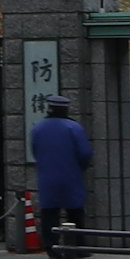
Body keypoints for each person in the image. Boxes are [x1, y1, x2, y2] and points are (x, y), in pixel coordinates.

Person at [27, 96, 92, 236]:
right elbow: (85, 153)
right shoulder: (74, 127)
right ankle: (78, 247)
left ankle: (52, 249)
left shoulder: (38, 128)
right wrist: (81, 168)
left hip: (47, 178)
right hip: (71, 176)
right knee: (75, 213)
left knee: (49, 214)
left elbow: (34, 151)